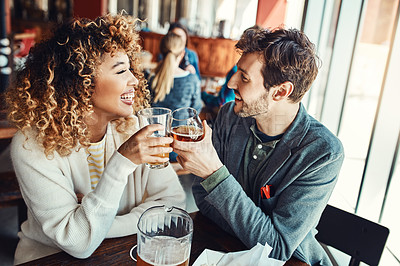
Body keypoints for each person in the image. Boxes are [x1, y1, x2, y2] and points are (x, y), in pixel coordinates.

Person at [5, 14, 185, 264]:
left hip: (121, 253)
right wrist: (122, 161)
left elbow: (172, 205)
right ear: (81, 83)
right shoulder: (32, 145)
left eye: (131, 69)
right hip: (48, 259)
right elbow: (78, 244)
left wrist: (91, 225)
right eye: (122, 71)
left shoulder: (135, 127)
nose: (134, 79)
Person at [172, 26, 344, 265]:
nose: (231, 83)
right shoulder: (229, 116)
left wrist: (215, 174)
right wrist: (256, 229)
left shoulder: (322, 152)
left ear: (281, 91)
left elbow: (277, 249)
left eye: (244, 77)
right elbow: (202, 197)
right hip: (224, 250)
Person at [148, 32, 202, 114]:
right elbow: (196, 109)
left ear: (161, 51)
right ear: (182, 53)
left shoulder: (149, 77)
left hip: (154, 126)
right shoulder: (192, 79)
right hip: (182, 126)